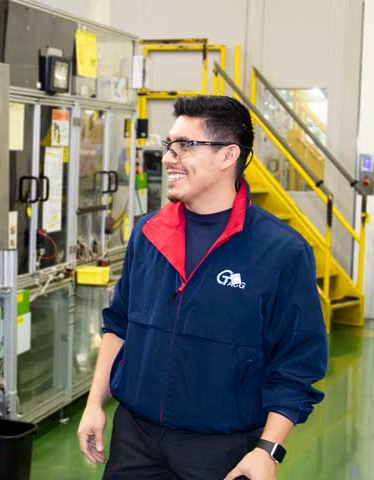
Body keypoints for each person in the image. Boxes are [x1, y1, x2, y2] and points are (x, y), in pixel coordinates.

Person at [77, 95, 328, 480]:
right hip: (135, 441)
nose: (168, 158)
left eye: (185, 146)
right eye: (169, 145)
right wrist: (95, 403)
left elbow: (295, 366)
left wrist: (268, 449)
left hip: (222, 450)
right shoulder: (148, 233)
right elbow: (120, 324)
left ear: (228, 156)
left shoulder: (281, 252)